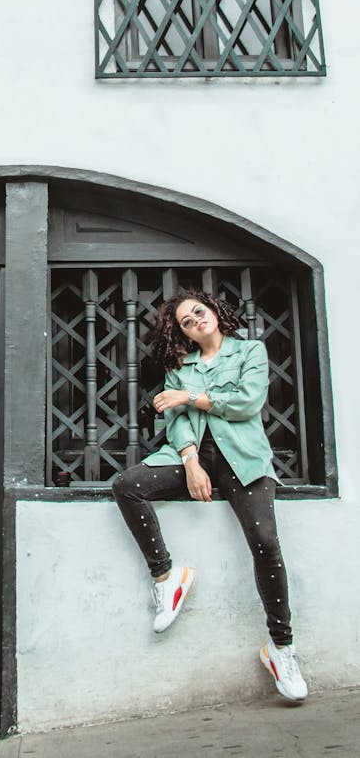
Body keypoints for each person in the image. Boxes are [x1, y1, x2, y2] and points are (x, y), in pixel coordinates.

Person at [111, 289, 308, 702]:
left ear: (214, 312)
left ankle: (281, 648)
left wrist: (191, 397)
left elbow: (248, 402)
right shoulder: (179, 366)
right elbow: (177, 421)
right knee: (127, 486)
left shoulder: (249, 351)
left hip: (244, 458)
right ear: (181, 333)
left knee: (265, 544)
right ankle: (167, 577)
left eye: (199, 312)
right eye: (185, 321)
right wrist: (190, 460)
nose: (196, 320)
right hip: (195, 457)